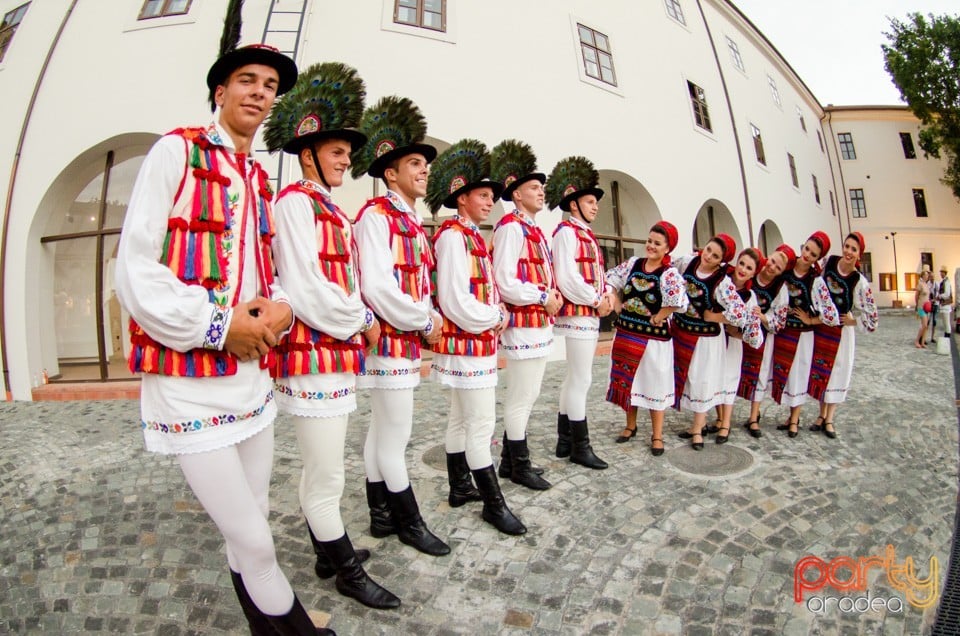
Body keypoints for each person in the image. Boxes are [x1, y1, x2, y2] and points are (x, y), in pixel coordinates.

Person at [115, 12, 332, 633]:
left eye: (270, 85)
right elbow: (134, 269)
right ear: (221, 90)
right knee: (255, 540)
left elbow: (274, 273)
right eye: (248, 79)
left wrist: (283, 306)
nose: (260, 92)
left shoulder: (260, 177)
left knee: (257, 514)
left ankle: (268, 623)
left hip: (250, 377)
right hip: (188, 379)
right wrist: (217, 325)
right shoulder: (174, 151)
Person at [263, 62, 399, 609]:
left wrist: (356, 318)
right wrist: (362, 320)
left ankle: (325, 551)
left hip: (333, 350)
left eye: (347, 151)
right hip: (314, 351)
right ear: (308, 153)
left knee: (330, 462)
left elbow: (340, 282)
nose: (347, 159)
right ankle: (343, 567)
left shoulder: (327, 208)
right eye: (338, 151)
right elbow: (307, 288)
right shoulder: (295, 202)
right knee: (326, 468)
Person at [351, 96, 450, 557]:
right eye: (415, 163)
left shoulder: (409, 218)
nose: (424, 170)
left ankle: (380, 515)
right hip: (390, 338)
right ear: (390, 172)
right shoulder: (376, 216)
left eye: (425, 164)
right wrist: (425, 319)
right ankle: (411, 522)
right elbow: (378, 286)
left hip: (401, 339)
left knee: (382, 431)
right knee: (396, 434)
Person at [424, 139, 526, 536]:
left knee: (460, 420)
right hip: (468, 344)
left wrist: (493, 312)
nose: (489, 202)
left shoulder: (469, 236)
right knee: (480, 424)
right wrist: (496, 315)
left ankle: (459, 486)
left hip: (474, 343)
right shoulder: (452, 236)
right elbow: (454, 300)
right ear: (462, 197)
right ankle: (493, 504)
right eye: (483, 196)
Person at [490, 140, 560, 490]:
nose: (541, 192)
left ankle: (508, 462)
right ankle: (520, 464)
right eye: (534, 187)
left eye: (542, 188)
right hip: (523, 325)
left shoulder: (534, 228)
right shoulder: (511, 228)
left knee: (529, 394)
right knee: (521, 395)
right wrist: (543, 295)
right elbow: (505, 280)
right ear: (516, 194)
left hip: (538, 324)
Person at [546, 156, 616, 470]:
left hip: (586, 311)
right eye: (590, 201)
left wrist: (605, 294)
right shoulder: (566, 233)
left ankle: (564, 440)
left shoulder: (583, 233)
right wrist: (595, 299)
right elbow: (567, 277)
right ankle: (580, 445)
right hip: (578, 312)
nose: (595, 206)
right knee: (581, 378)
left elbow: (593, 274)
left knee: (576, 377)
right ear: (573, 204)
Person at [604, 221, 687, 456]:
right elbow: (610, 279)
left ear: (667, 249)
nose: (651, 246)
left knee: (655, 385)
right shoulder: (633, 264)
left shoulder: (668, 273)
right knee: (629, 381)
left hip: (654, 341)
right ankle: (630, 425)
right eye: (649, 241)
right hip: (627, 333)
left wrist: (661, 315)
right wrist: (617, 304)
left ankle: (657, 435)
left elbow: (679, 300)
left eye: (657, 243)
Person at [672, 234, 756, 449]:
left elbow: (742, 315)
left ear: (721, 261)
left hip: (706, 339)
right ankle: (695, 425)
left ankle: (698, 430)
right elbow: (668, 274)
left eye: (715, 255)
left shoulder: (722, 282)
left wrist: (716, 317)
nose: (708, 256)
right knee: (688, 379)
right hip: (682, 331)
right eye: (708, 249)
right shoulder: (687, 262)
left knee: (702, 380)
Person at [806, 232, 878, 438]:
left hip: (841, 333)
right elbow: (816, 286)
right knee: (822, 370)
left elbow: (872, 316)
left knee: (837, 372)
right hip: (822, 327)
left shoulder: (859, 281)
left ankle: (829, 418)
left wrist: (853, 320)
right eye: (847, 246)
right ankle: (821, 415)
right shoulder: (829, 262)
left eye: (853, 249)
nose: (848, 251)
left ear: (859, 255)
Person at [770, 231, 840, 437]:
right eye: (807, 249)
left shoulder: (815, 281)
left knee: (799, 374)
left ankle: (794, 420)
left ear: (818, 259)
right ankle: (791, 416)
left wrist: (810, 319)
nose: (807, 255)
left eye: (813, 254)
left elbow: (831, 314)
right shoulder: (787, 271)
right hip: (784, 331)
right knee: (787, 375)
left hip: (803, 335)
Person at [737, 244, 794, 437]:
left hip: (762, 336)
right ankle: (722, 417)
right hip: (737, 332)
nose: (772, 268)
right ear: (768, 257)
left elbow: (780, 321)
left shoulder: (780, 289)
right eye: (772, 262)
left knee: (759, 374)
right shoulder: (751, 273)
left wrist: (762, 317)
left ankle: (754, 417)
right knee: (731, 370)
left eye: (778, 268)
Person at [715, 248, 765, 443]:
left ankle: (726, 424)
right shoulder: (722, 283)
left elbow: (751, 328)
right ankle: (718, 419)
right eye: (742, 264)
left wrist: (738, 332)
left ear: (753, 273)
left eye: (749, 267)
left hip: (733, 343)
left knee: (729, 380)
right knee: (715, 377)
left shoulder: (750, 296)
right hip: (715, 337)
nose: (743, 269)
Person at [915, 269, 933, 349]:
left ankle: (922, 342)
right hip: (921, 307)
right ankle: (917, 340)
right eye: (925, 275)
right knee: (924, 324)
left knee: (926, 326)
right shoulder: (920, 284)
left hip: (926, 307)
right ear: (922, 276)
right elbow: (916, 296)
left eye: (927, 275)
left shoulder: (926, 284)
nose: (927, 276)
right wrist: (917, 305)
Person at [936, 265, 953, 338]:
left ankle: (947, 338)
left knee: (947, 323)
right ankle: (946, 337)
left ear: (945, 273)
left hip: (946, 305)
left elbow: (947, 294)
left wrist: (939, 296)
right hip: (943, 304)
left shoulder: (947, 282)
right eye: (940, 272)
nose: (940, 274)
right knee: (945, 323)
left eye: (942, 272)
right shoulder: (944, 281)